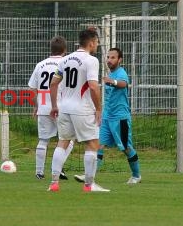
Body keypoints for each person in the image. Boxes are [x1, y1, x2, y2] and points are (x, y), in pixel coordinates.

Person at [47, 27, 109, 192]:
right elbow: (94, 87)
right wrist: (98, 108)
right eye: (96, 42)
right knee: (92, 143)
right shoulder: (91, 60)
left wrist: (54, 105)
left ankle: (54, 183)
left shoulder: (64, 60)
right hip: (83, 108)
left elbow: (53, 83)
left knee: (63, 142)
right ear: (90, 43)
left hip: (64, 107)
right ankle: (89, 185)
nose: (97, 45)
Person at [74, 48, 141, 184]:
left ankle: (136, 175)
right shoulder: (110, 74)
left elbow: (124, 84)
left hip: (120, 118)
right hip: (107, 117)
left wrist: (112, 82)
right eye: (108, 57)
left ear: (119, 60)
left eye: (113, 58)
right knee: (98, 145)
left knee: (127, 148)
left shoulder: (121, 73)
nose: (109, 60)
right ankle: (89, 176)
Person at [27, 35, 74, 180]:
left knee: (43, 140)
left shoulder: (40, 65)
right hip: (61, 107)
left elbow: (32, 89)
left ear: (51, 49)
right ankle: (57, 168)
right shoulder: (67, 63)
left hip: (44, 106)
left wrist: (36, 106)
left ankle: (39, 172)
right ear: (64, 50)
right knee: (68, 139)